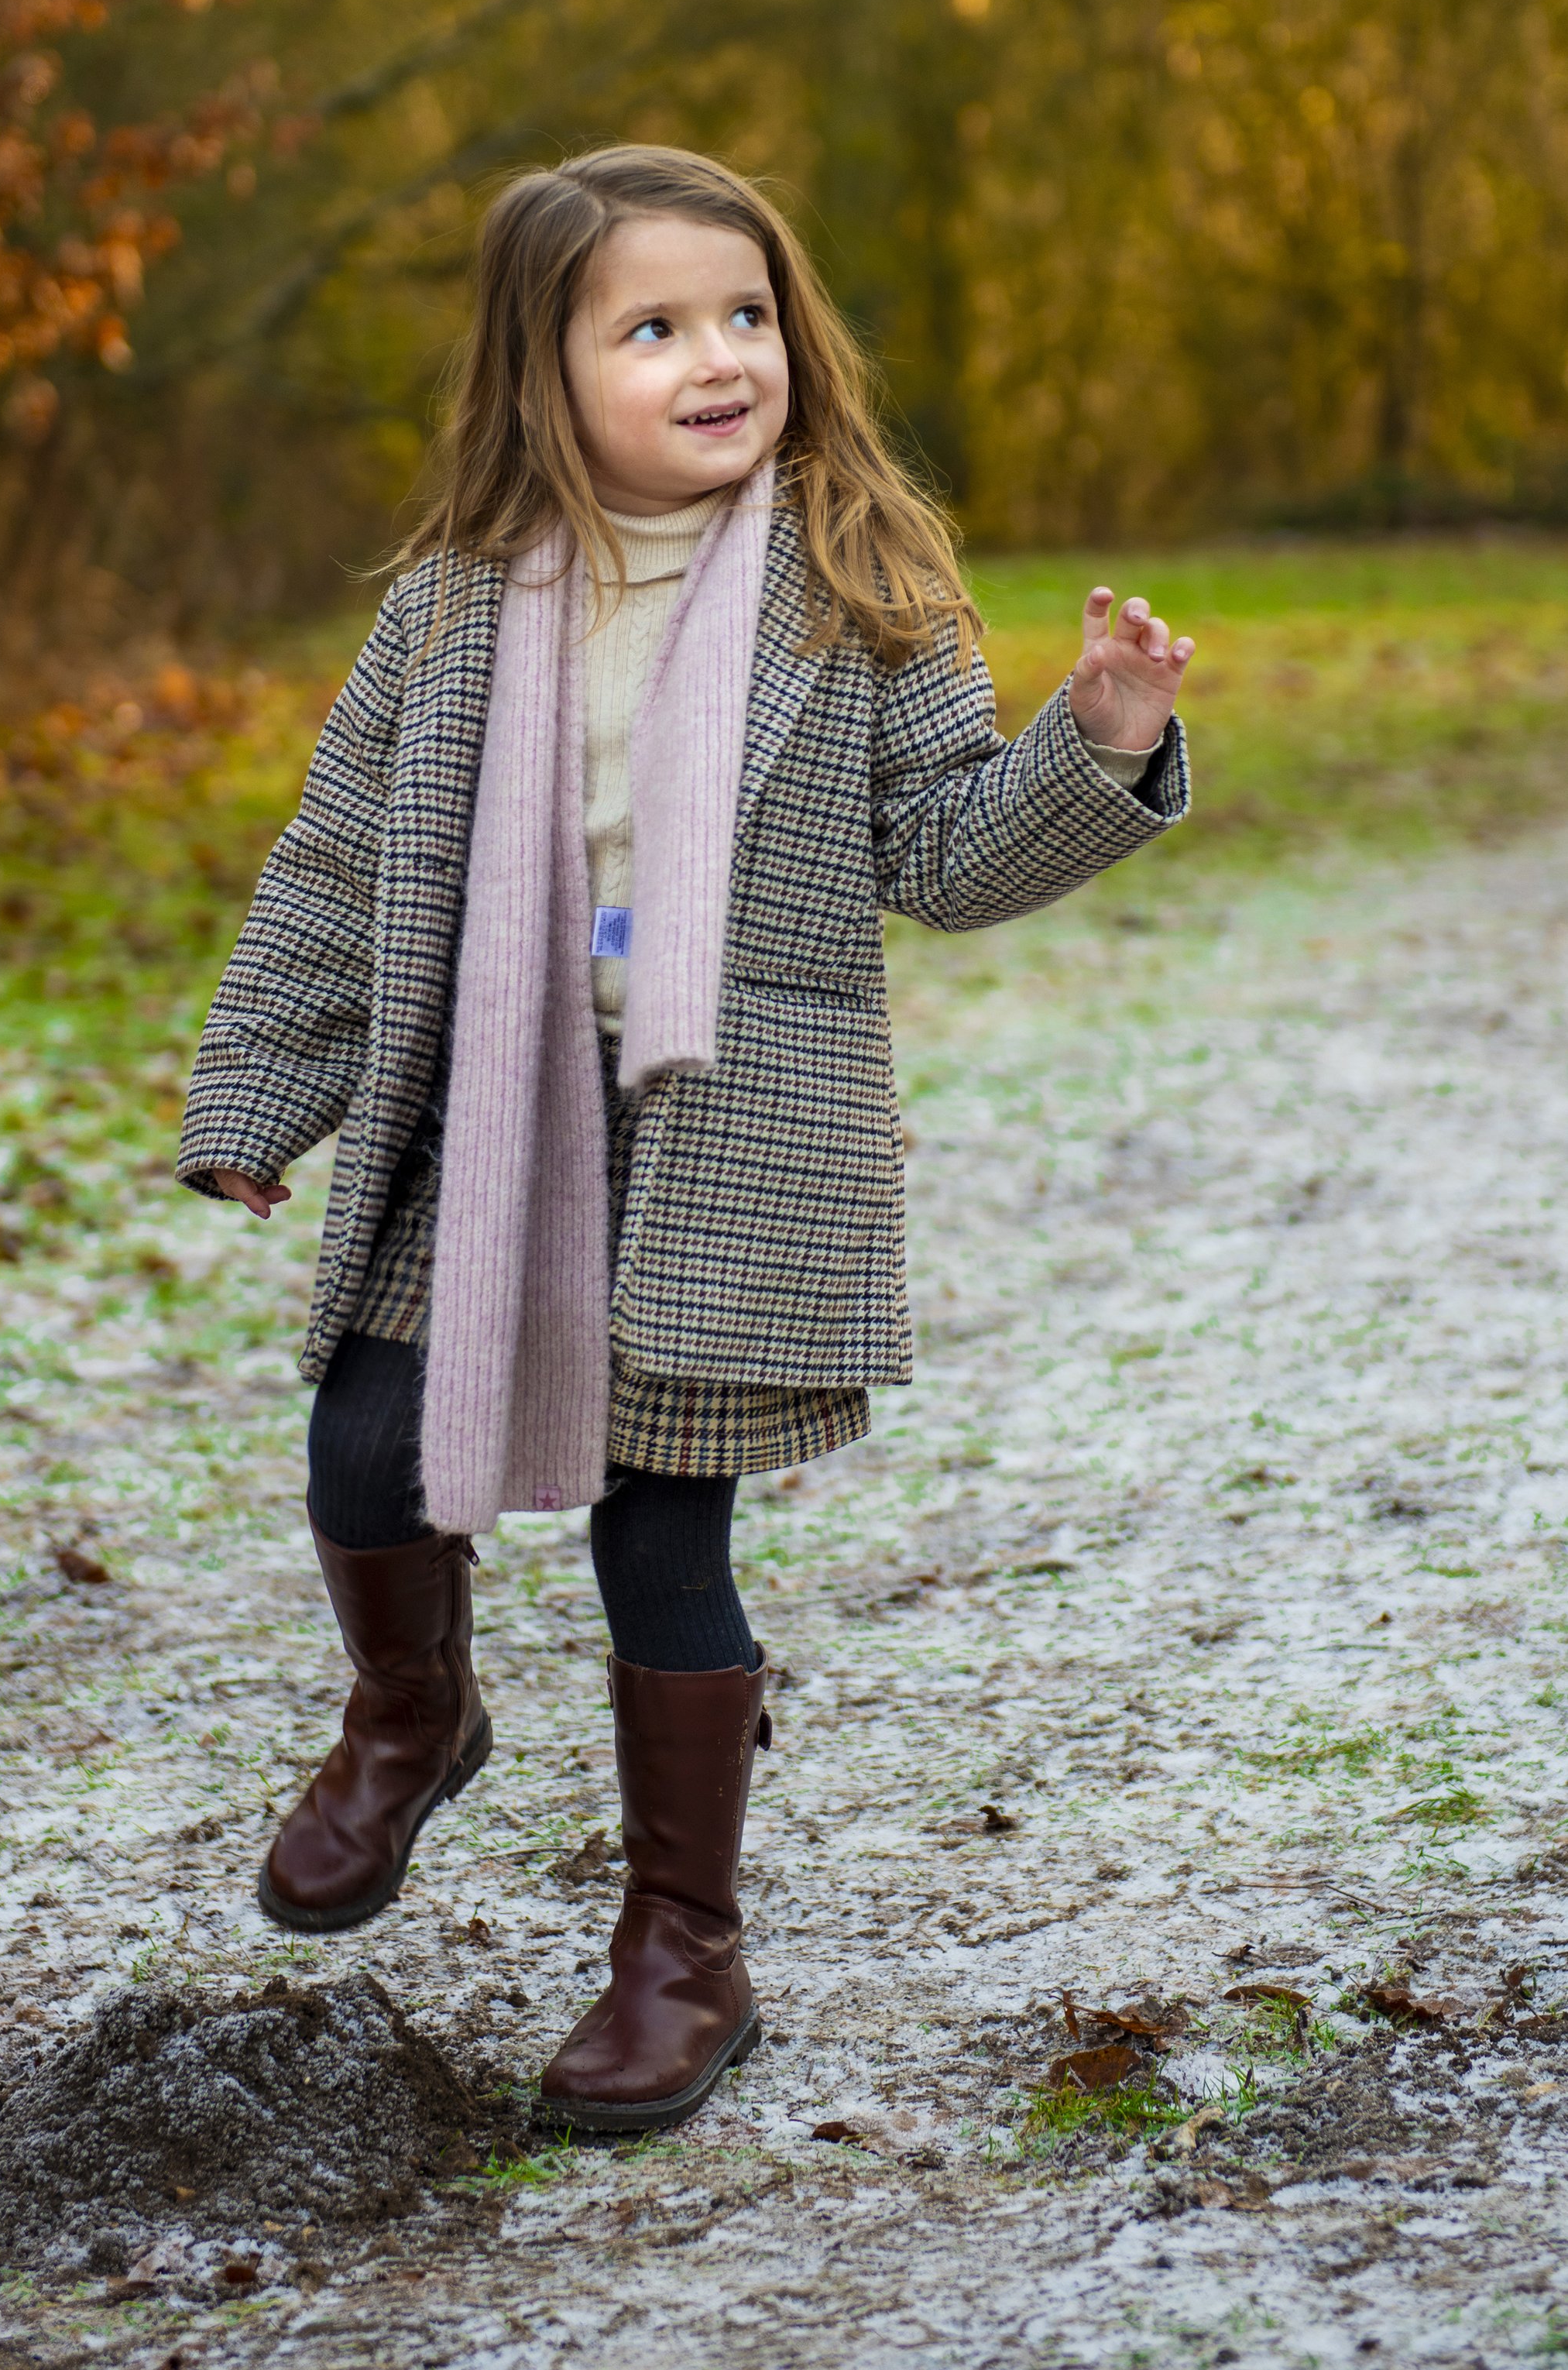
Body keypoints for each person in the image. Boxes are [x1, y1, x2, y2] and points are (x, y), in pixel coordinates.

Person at [177, 143, 1193, 2136]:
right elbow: (335, 864)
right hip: (486, 1113)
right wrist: (254, 1100)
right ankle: (411, 1714)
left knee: (666, 1533)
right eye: (651, 327)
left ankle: (680, 1947)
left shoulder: (858, 592)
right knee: (363, 1439)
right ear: (540, 373)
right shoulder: (456, 610)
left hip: (729, 1126)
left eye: (745, 315)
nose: (716, 357)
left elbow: (941, 860)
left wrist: (1095, 740)